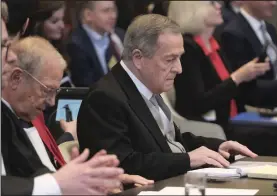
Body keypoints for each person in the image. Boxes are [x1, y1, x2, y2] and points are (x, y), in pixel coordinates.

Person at [77, 14, 258, 182]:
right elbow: (121, 165)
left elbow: (169, 142)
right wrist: (186, 160)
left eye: (179, 58)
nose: (179, 68)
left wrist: (217, 146)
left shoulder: (145, 86)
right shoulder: (104, 98)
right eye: (170, 59)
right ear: (138, 58)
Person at [1, 2, 123, 194]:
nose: (11, 57)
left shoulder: (12, 115)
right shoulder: (11, 114)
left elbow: (35, 172)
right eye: (3, 46)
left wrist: (89, 175)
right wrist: (60, 182)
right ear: (17, 78)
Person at [168, 1, 270, 132]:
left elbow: (230, 90)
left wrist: (249, 74)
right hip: (209, 129)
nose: (219, 6)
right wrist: (238, 77)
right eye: (211, 3)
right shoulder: (187, 49)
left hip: (233, 121)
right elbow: (197, 104)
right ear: (193, 10)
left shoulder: (214, 43)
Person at [221, 1, 277, 107]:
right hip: (259, 108)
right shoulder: (233, 33)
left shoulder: (270, 29)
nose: (274, 3)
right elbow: (245, 88)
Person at [67, 0, 125, 87]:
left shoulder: (119, 35)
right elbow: (86, 85)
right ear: (88, 15)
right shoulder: (76, 45)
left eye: (114, 10)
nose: (113, 16)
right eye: (106, 11)